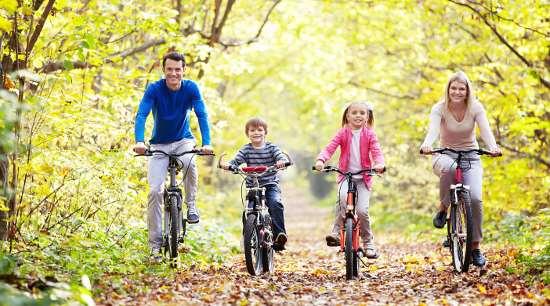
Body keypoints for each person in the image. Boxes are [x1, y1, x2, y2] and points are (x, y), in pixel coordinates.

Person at [133, 51, 213, 262]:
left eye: (178, 69)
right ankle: (155, 248)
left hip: (182, 140)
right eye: (169, 69)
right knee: (155, 192)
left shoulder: (191, 88)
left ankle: (191, 205)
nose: (174, 73)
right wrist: (140, 141)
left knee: (190, 162)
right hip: (158, 144)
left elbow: (202, 114)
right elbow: (142, 114)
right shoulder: (154, 89)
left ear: (183, 70)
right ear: (164, 70)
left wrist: (206, 143)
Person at [420, 71, 501, 267]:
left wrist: (493, 147)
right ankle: (443, 207)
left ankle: (475, 248)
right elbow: (433, 130)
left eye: (461, 89)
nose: (457, 92)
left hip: (471, 156)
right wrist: (427, 144)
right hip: (445, 154)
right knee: (449, 169)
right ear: (448, 89)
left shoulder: (475, 108)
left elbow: (486, 130)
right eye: (453, 88)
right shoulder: (439, 108)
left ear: (467, 91)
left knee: (474, 198)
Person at [314, 101, 385, 259]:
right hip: (346, 176)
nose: (358, 115)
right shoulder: (342, 133)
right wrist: (321, 160)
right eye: (354, 113)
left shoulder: (370, 134)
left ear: (367, 117)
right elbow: (330, 147)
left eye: (362, 113)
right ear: (347, 115)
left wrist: (379, 163)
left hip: (363, 178)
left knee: (362, 211)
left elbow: (376, 150)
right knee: (342, 199)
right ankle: (336, 232)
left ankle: (368, 242)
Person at [219, 117, 290, 251]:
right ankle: (248, 236)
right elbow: (236, 161)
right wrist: (229, 166)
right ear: (247, 133)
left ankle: (279, 235)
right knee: (248, 210)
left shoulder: (271, 147)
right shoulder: (246, 150)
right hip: (252, 185)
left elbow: (280, 156)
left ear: (265, 132)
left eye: (259, 130)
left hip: (270, 184)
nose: (256, 132)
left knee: (275, 203)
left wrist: (281, 161)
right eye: (252, 130)